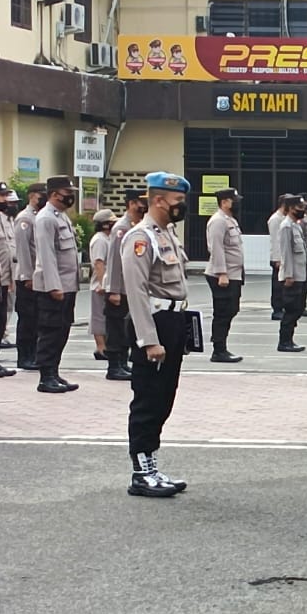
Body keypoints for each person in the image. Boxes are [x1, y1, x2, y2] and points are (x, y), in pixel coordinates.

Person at [122, 172, 196, 498]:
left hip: (174, 320)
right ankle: (141, 472)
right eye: (178, 201)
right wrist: (149, 340)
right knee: (149, 399)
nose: (182, 206)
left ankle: (151, 466)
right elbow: (136, 291)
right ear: (158, 200)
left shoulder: (168, 234)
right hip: (155, 322)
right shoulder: (140, 238)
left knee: (164, 397)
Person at [31, 177, 81, 394]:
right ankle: (46, 376)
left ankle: (54, 371)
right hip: (54, 287)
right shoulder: (46, 218)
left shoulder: (60, 216)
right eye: (67, 193)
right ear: (54, 194)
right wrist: (54, 286)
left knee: (62, 331)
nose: (70, 196)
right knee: (50, 331)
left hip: (67, 285)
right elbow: (46, 255)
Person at [103, 191, 148, 382]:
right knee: (116, 328)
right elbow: (114, 261)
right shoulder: (121, 228)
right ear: (131, 204)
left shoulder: (137, 226)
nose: (144, 206)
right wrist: (114, 289)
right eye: (141, 203)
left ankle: (122, 363)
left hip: (130, 288)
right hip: (119, 288)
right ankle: (114, 366)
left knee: (126, 328)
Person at [204, 188, 246, 363]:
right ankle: (218, 350)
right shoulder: (218, 221)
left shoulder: (230, 220)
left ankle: (220, 344)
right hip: (222, 275)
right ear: (224, 202)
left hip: (233, 274)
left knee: (231, 310)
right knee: (223, 312)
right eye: (233, 200)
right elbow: (216, 248)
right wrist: (222, 273)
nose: (237, 203)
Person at [12, 183, 45, 371]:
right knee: (27, 319)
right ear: (32, 196)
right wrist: (27, 276)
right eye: (41, 195)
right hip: (27, 277)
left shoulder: (39, 216)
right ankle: (24, 356)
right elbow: (23, 250)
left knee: (37, 319)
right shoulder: (25, 218)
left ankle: (34, 354)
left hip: (38, 276)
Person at [275, 195, 307, 352]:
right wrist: (288, 275)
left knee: (297, 309)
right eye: (299, 208)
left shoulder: (296, 225)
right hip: (292, 276)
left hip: (299, 274)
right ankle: (284, 342)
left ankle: (289, 339)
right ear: (290, 208)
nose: (302, 211)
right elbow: (286, 252)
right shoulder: (286, 226)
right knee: (291, 310)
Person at [89, 210, 115, 360]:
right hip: (100, 285)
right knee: (99, 317)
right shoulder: (100, 240)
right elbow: (99, 263)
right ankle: (100, 347)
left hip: (106, 282)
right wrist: (102, 283)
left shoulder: (107, 238)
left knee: (105, 316)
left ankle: (105, 346)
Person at [0, 184, 16, 377]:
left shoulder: (4, 219)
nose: (5, 200)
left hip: (3, 280)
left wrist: (10, 279)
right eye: (2, 195)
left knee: (1, 320)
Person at [267, 194, 292, 320]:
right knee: (277, 285)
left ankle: (283, 307)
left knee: (283, 284)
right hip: (278, 257)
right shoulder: (275, 219)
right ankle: (276, 309)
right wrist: (277, 259)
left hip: (285, 256)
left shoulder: (285, 218)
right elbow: (276, 241)